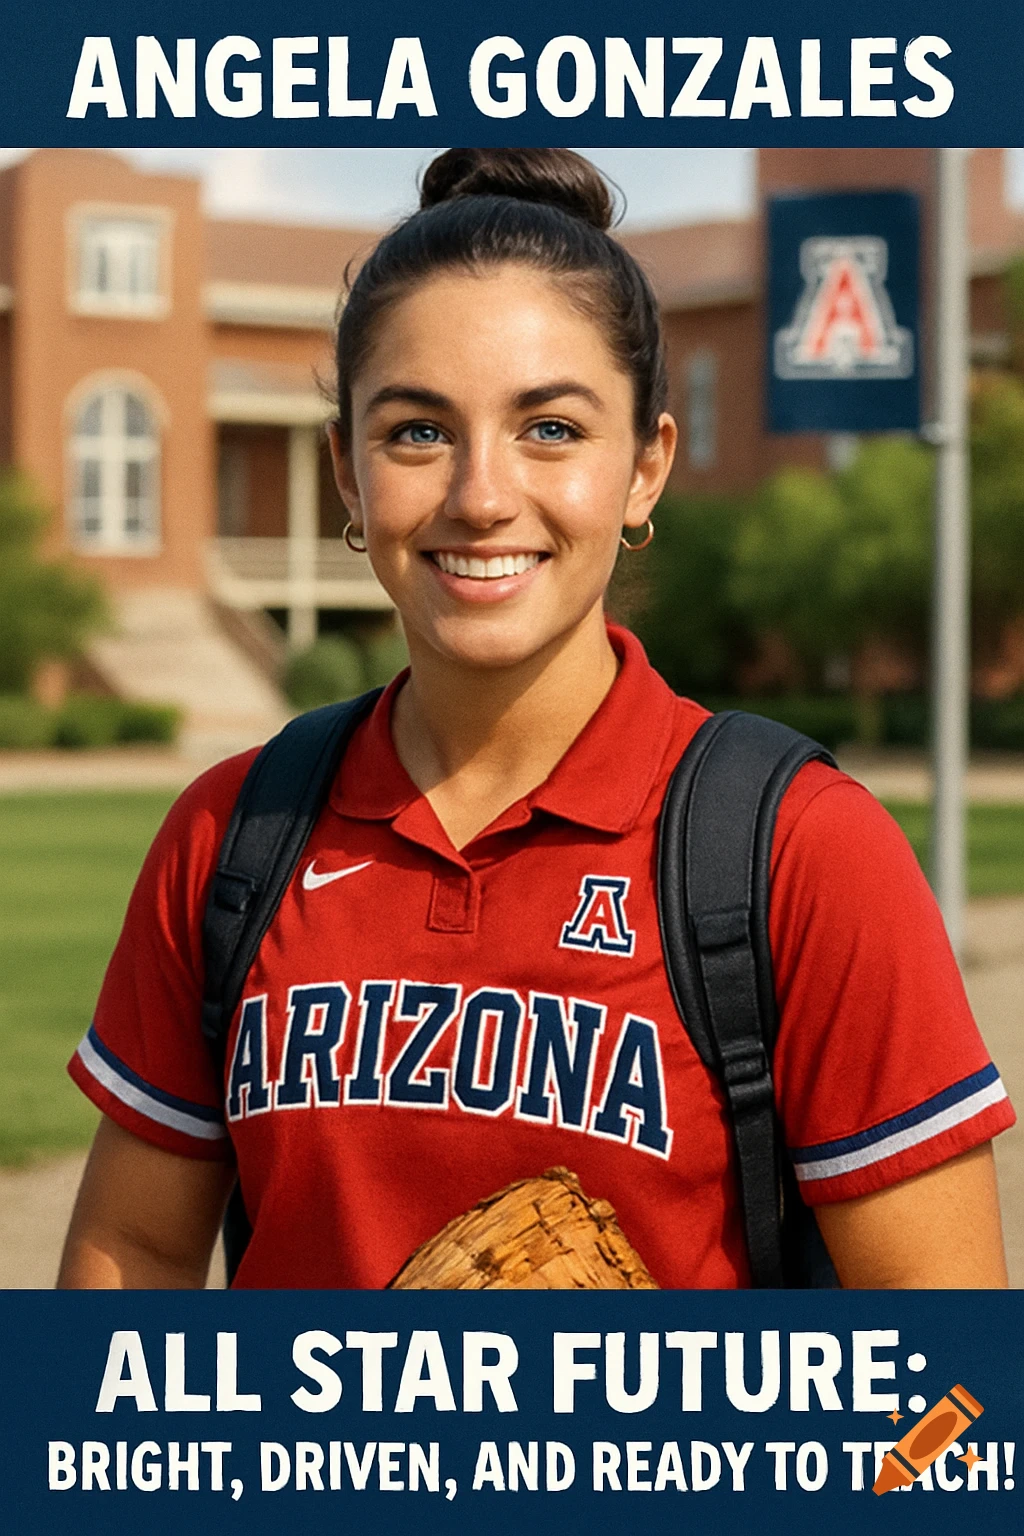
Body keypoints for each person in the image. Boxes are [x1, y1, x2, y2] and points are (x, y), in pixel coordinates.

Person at [59, 148, 1013, 1291]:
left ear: (647, 467)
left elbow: (947, 1389)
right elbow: (138, 1249)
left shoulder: (797, 853)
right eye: (416, 430)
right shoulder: (232, 837)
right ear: (348, 476)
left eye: (550, 429)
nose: (480, 494)